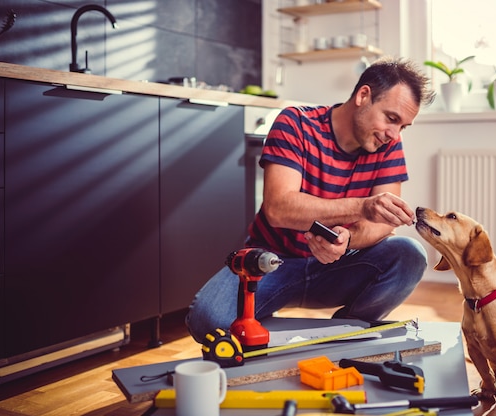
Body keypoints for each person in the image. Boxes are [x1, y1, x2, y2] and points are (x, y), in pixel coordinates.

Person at [186, 56, 435, 343]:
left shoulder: (388, 143)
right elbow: (278, 209)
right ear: (363, 96)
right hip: (272, 262)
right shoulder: (295, 123)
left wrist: (347, 239)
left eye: (403, 126)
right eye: (391, 118)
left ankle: (346, 331)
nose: (394, 134)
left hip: (338, 266)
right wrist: (361, 205)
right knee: (208, 320)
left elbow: (382, 223)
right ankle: (260, 324)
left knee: (409, 253)